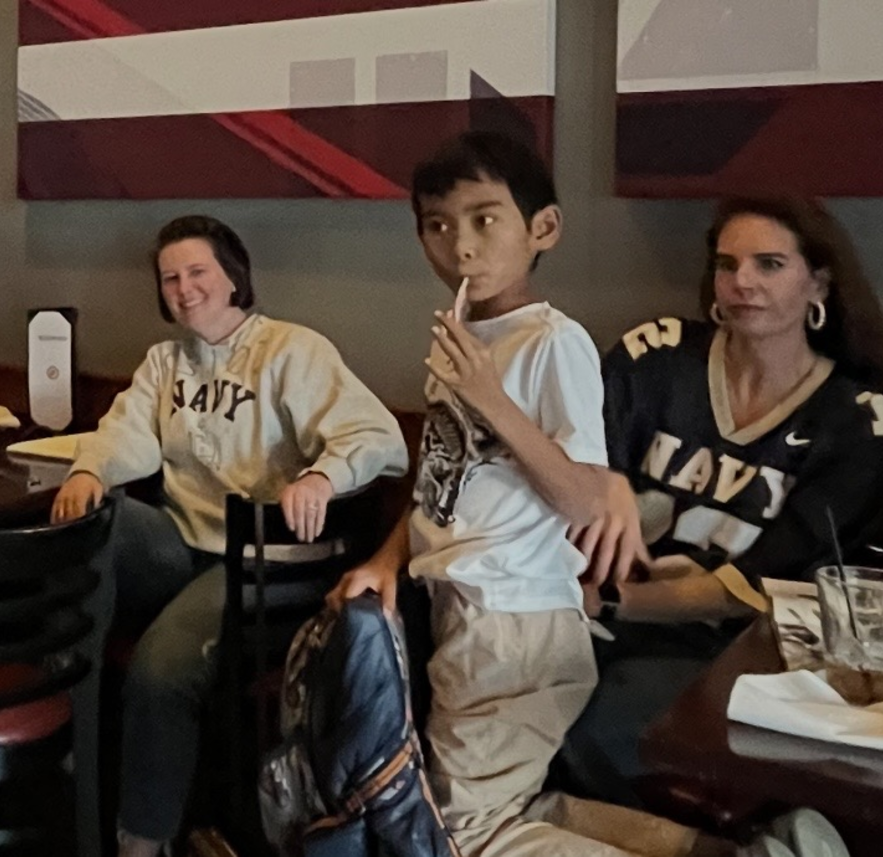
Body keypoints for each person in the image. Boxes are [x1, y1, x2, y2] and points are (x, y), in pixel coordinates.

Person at [327, 132, 841, 857]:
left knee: (462, 835)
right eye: (436, 224)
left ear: (543, 228)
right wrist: (388, 557)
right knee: (511, 807)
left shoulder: (551, 341)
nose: (460, 245)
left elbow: (583, 498)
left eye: (484, 219)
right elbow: (446, 479)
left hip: (516, 619)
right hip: (464, 609)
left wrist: (492, 398)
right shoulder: (467, 338)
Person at [50, 215, 409, 857]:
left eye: (198, 272)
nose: (184, 289)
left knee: (160, 669)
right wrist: (89, 471)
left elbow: (379, 440)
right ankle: (71, 719)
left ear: (234, 277)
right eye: (170, 279)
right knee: (97, 523)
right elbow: (125, 434)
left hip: (263, 564)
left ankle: (142, 841)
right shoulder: (164, 362)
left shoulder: (292, 351)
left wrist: (322, 477)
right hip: (179, 546)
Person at [558, 197, 883, 809]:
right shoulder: (657, 357)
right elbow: (576, 478)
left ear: (819, 283)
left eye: (769, 264)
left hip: (732, 646)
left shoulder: (862, 421)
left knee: (601, 712)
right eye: (728, 265)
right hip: (588, 606)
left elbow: (765, 582)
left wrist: (607, 601)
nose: (742, 281)